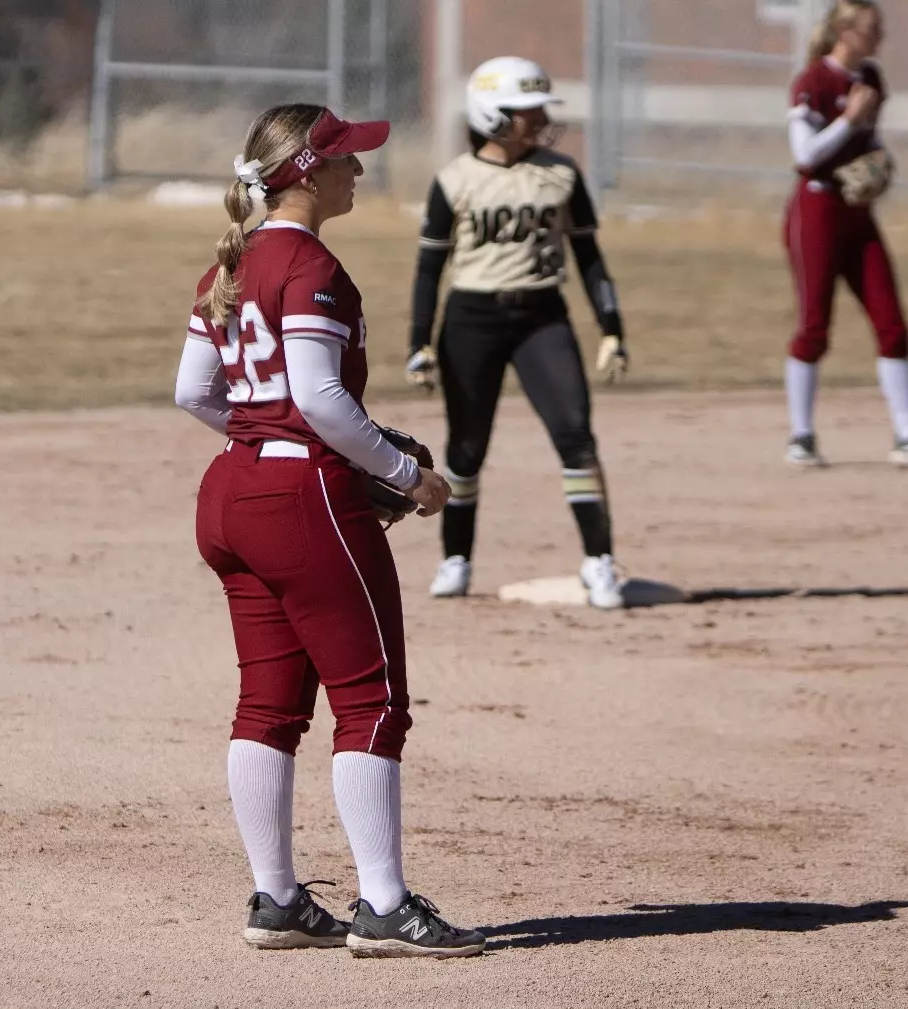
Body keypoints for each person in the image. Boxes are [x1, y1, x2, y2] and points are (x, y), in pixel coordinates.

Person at [173, 103, 486, 959]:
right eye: (346, 159)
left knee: (267, 706)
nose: (359, 170)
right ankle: (383, 907)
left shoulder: (228, 265)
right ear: (305, 172)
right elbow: (318, 397)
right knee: (371, 702)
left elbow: (195, 394)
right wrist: (401, 474)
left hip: (233, 491)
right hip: (303, 499)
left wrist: (268, 440)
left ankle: (277, 899)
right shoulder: (309, 265)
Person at [407, 55, 631, 609]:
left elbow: (589, 257)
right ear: (494, 114)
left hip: (541, 318)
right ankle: (456, 558)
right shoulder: (455, 180)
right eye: (527, 111)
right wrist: (419, 340)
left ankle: (599, 560)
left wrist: (612, 328)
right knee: (466, 446)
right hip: (472, 320)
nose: (539, 120)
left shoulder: (560, 173)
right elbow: (430, 268)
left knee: (576, 435)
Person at [782, 0, 908, 470]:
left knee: (892, 323)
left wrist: (878, 158)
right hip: (815, 210)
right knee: (814, 326)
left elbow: (868, 140)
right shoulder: (812, 83)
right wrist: (848, 121)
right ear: (845, 32)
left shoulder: (871, 79)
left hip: (857, 214)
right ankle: (801, 436)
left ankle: (907, 435)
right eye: (870, 29)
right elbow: (806, 157)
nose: (878, 37)